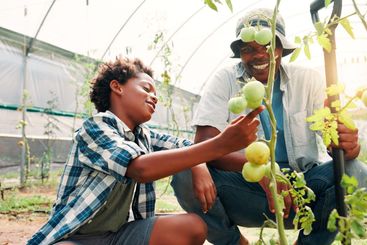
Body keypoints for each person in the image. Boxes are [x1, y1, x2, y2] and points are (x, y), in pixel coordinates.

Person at [171, 8, 367, 245]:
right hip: (246, 188)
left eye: (267, 46)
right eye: (248, 49)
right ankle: (235, 243)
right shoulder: (225, 80)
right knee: (184, 172)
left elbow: (335, 142)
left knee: (354, 169)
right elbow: (203, 144)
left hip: (301, 190)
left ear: (281, 48)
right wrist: (265, 170)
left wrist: (347, 145)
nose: (259, 55)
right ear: (240, 54)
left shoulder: (308, 80)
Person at [27, 57, 264, 245]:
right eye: (146, 88)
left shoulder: (145, 135)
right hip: (77, 237)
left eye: (156, 94)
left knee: (194, 227)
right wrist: (220, 144)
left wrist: (199, 164)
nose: (154, 97)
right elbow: (139, 168)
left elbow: (188, 147)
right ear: (116, 87)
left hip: (121, 236)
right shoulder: (95, 128)